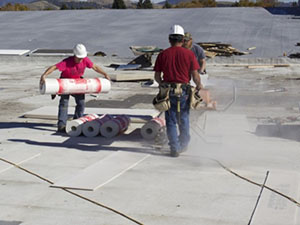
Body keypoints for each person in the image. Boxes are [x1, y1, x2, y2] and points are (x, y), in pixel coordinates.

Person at [154, 25, 202, 157]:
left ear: (170, 39)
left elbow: (157, 76)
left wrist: (162, 85)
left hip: (169, 92)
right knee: (184, 118)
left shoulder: (163, 54)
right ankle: (183, 144)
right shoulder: (189, 54)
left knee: (171, 120)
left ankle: (174, 148)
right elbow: (195, 75)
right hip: (184, 91)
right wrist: (199, 85)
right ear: (183, 40)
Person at [40, 43, 110, 132]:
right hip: (65, 82)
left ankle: (77, 122)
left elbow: (95, 67)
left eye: (82, 58)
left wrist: (105, 74)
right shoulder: (67, 62)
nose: (80, 59)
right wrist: (44, 75)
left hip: (78, 83)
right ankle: (62, 124)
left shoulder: (85, 60)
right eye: (79, 58)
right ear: (74, 55)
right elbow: (54, 67)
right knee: (64, 103)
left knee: (81, 103)